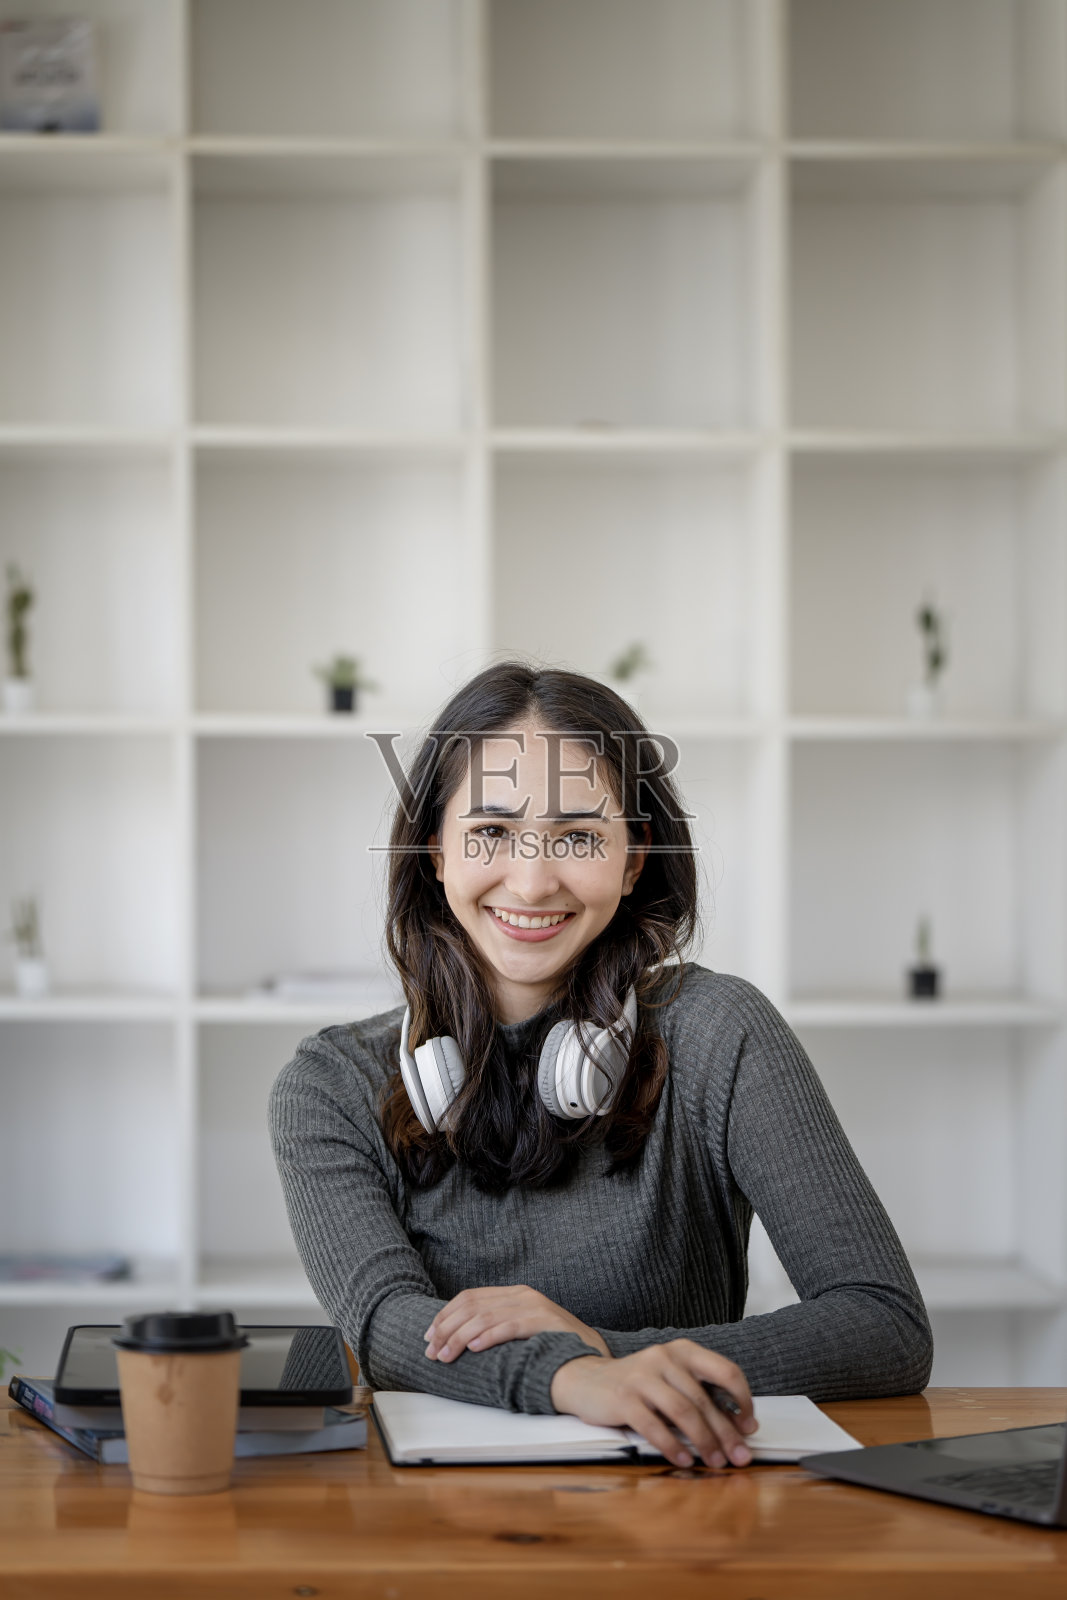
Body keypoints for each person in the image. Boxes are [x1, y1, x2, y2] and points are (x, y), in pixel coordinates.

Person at [269, 662, 932, 1471]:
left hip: (686, 1508)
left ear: (631, 860)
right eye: (491, 831)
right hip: (435, 1531)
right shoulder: (330, 1084)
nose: (532, 878)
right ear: (434, 850)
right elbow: (385, 1328)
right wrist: (577, 1377)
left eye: (578, 836)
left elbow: (884, 1326)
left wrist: (607, 1353)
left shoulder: (719, 1033)